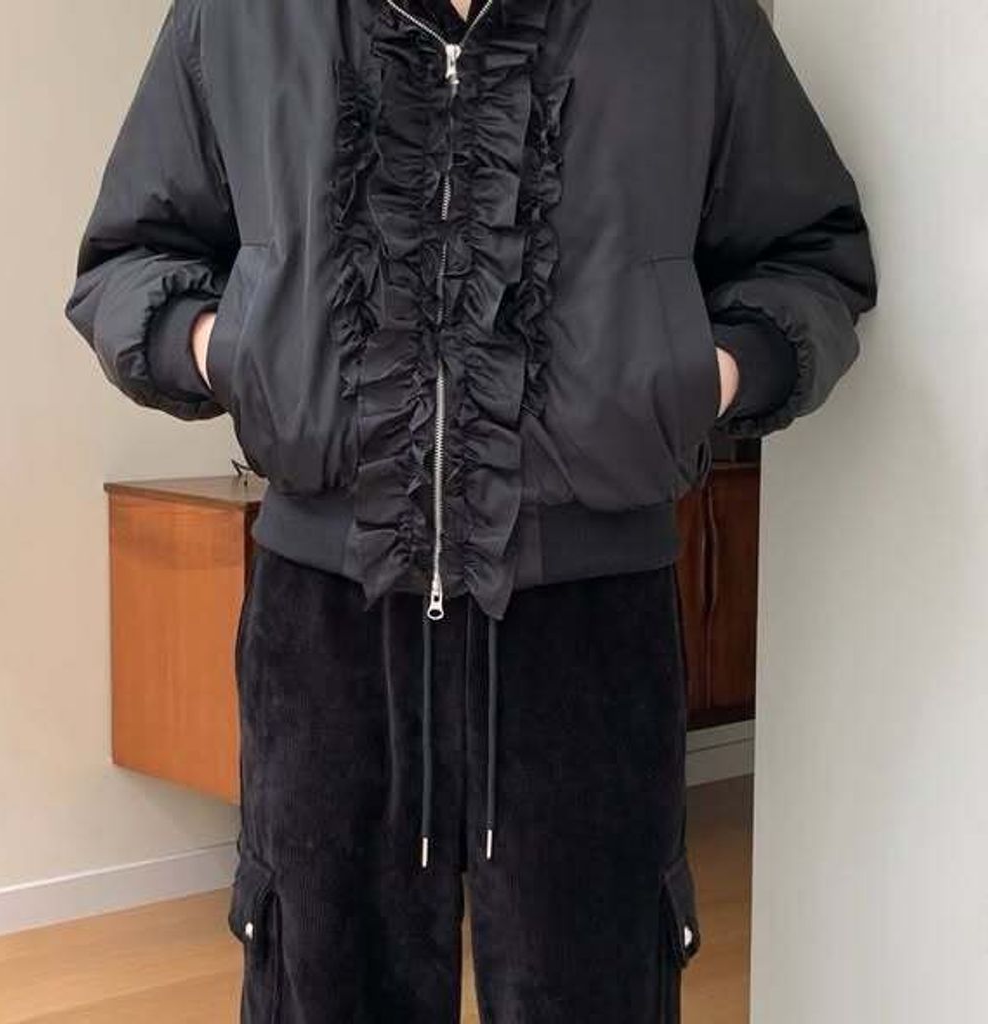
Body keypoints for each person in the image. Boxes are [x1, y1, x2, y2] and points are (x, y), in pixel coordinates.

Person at [63, 0, 877, 1019]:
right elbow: (128, 261)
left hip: (590, 628)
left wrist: (697, 375)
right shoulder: (238, 18)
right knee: (323, 982)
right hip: (326, 625)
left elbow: (810, 257)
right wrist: (234, 350)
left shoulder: (690, 20)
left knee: (595, 986)